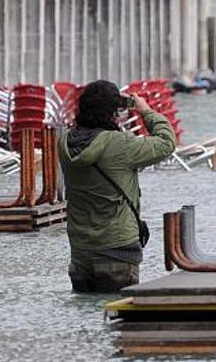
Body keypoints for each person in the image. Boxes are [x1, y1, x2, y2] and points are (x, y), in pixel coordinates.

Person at [58, 81, 177, 293]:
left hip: (80, 252)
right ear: (115, 111)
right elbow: (167, 142)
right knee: (116, 319)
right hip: (117, 250)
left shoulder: (64, 142)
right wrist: (145, 111)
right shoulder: (120, 144)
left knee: (85, 317)